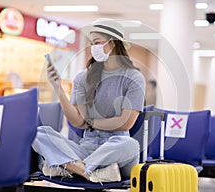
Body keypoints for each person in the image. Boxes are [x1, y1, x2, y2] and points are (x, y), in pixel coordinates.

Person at [32, 19, 146, 183]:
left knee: (130, 144)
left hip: (116, 150)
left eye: (97, 42)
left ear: (113, 43)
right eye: (92, 43)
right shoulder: (83, 78)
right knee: (40, 133)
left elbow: (125, 123)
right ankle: (89, 172)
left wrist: (91, 123)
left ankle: (70, 167)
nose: (93, 48)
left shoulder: (133, 77)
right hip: (87, 148)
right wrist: (58, 88)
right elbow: (78, 121)